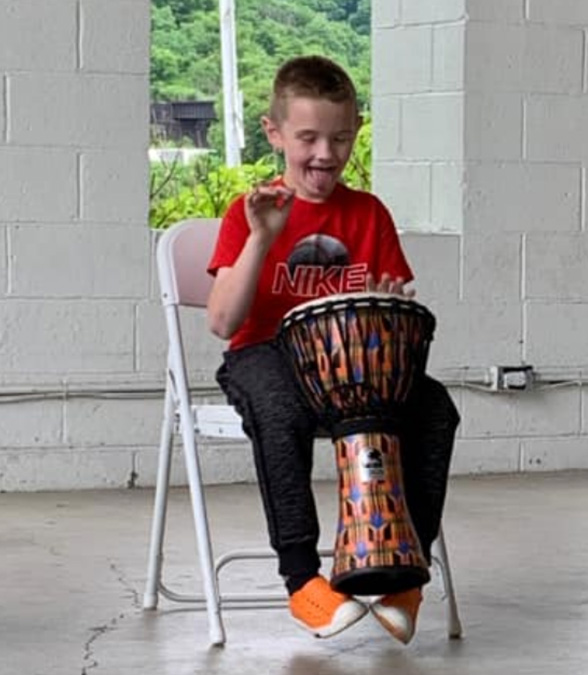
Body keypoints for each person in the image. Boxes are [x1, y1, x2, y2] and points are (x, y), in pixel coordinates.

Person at [206, 55, 459, 644]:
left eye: (340, 138)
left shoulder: (368, 214)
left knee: (433, 407)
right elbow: (222, 323)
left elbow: (385, 317)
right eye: (308, 138)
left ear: (356, 132)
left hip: (350, 371)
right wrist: (262, 240)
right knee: (279, 408)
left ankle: (405, 577)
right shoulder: (251, 212)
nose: (325, 153)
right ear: (275, 133)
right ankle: (302, 581)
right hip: (263, 356)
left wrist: (380, 301)